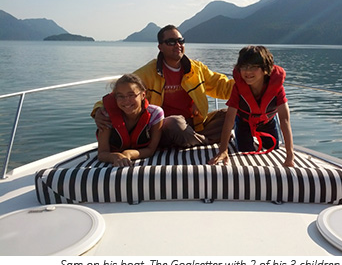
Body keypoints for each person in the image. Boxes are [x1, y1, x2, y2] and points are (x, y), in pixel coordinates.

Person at [93, 25, 234, 148]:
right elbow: (120, 92)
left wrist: (250, 81)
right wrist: (99, 109)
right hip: (162, 128)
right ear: (160, 47)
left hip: (196, 125)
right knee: (175, 123)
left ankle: (191, 139)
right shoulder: (147, 73)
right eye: (171, 42)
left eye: (180, 41)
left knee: (233, 113)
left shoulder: (196, 69)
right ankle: (205, 141)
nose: (177, 45)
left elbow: (223, 87)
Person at [208, 46, 294, 167]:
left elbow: (284, 120)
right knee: (245, 153)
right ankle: (235, 138)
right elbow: (229, 119)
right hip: (244, 122)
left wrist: (290, 155)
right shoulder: (238, 88)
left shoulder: (277, 89)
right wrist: (223, 150)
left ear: (265, 69)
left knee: (273, 150)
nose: (247, 72)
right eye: (244, 67)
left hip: (267, 122)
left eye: (253, 67)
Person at [97, 73, 164, 166]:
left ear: (143, 95)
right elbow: (102, 153)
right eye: (120, 96)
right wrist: (115, 156)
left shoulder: (155, 114)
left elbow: (150, 150)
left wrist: (128, 154)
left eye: (131, 95)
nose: (126, 100)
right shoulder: (106, 116)